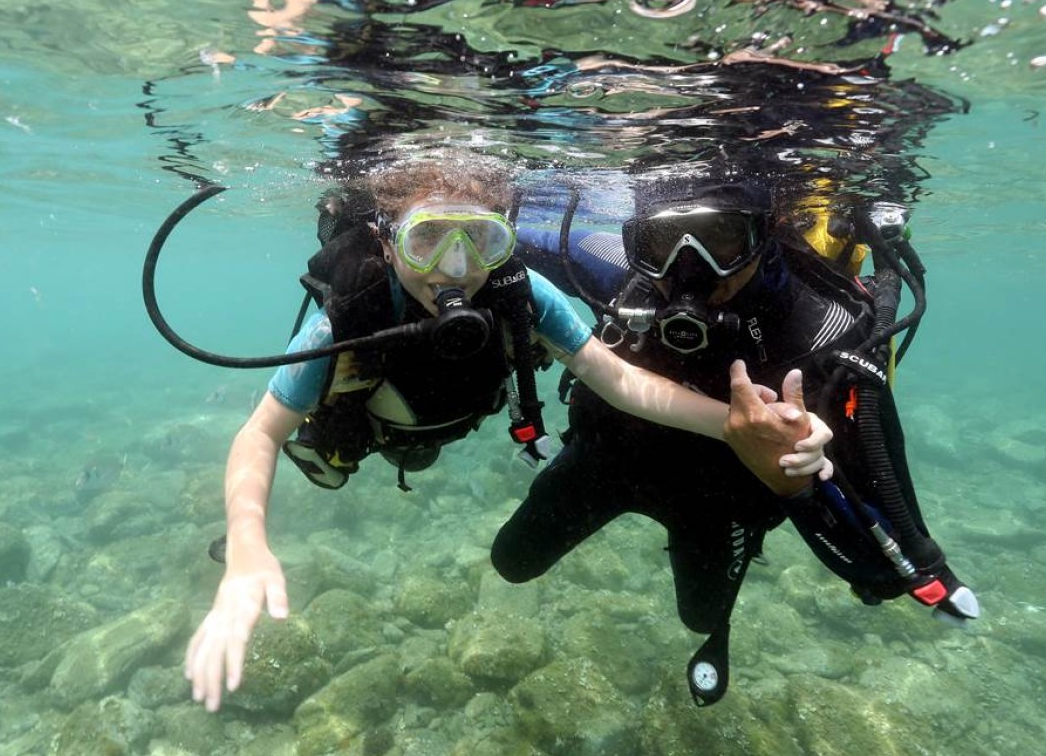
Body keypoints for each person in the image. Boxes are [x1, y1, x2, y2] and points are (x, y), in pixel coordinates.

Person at [179, 156, 834, 712]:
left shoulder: (523, 293)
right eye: (428, 239)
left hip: (442, 422)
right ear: (385, 240)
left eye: (481, 242)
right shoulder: (347, 320)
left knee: (678, 603)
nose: (456, 268)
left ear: (506, 242)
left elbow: (615, 379)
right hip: (378, 431)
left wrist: (739, 428)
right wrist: (246, 548)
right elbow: (261, 434)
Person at [491, 177, 978, 707]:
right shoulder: (622, 275)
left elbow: (888, 569)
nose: (687, 268)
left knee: (699, 616)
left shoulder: (828, 334)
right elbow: (507, 239)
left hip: (720, 504)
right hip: (604, 461)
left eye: (722, 239)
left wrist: (794, 482)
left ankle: (718, 618)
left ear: (766, 234)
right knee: (511, 563)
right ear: (635, 243)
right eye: (659, 244)